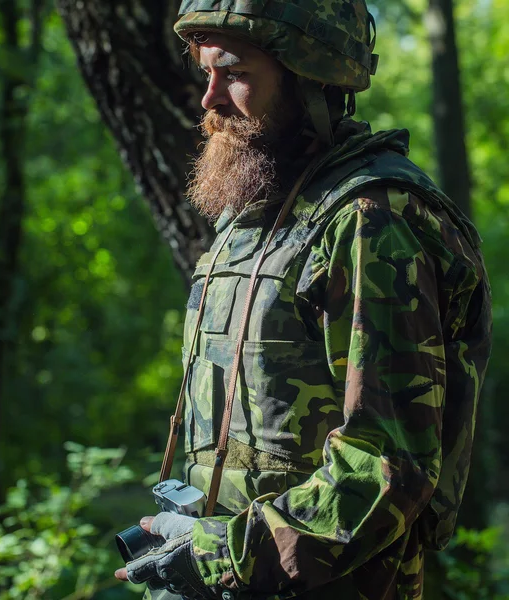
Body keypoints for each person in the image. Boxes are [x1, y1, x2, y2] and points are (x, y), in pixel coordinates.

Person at [115, 1, 493, 598]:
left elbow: (386, 468)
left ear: (311, 77)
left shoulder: (372, 220)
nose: (208, 100)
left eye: (234, 73)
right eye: (204, 72)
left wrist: (222, 556)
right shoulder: (261, 212)